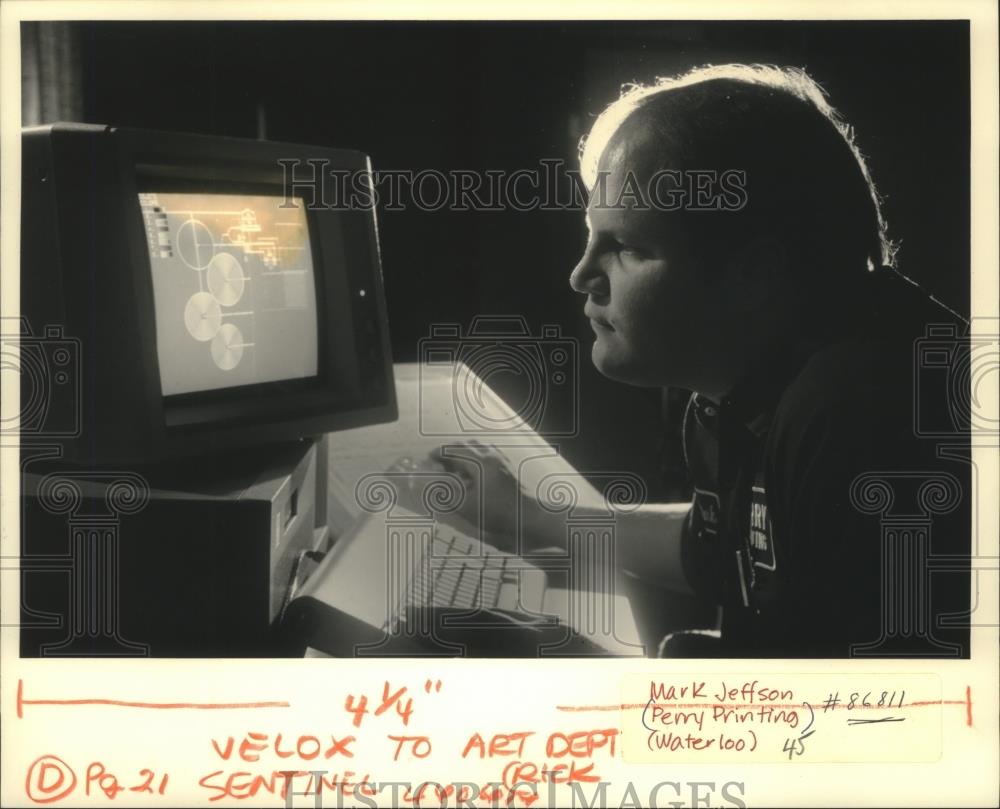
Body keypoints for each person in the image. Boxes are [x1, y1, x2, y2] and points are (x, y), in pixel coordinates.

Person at [436, 64, 970, 658]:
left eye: (628, 247)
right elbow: (720, 549)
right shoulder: (752, 385)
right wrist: (533, 520)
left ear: (755, 275)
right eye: (591, 237)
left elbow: (875, 723)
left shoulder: (859, 416)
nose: (581, 275)